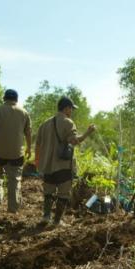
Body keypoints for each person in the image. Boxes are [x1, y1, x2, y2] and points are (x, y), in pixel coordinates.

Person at [35, 96, 96, 225]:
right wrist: (88, 132)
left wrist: (38, 162)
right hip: (62, 165)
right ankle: (57, 221)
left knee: (48, 192)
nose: (72, 111)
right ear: (67, 108)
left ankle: (46, 217)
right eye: (71, 109)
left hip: (47, 165)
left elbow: (38, 145)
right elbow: (74, 141)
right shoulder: (68, 122)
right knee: (63, 194)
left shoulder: (44, 124)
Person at [0, 89, 32, 213]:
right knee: (14, 180)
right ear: (16, 99)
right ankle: (13, 207)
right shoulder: (24, 112)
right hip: (17, 153)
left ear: (4, 98)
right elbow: (28, 132)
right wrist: (29, 148)